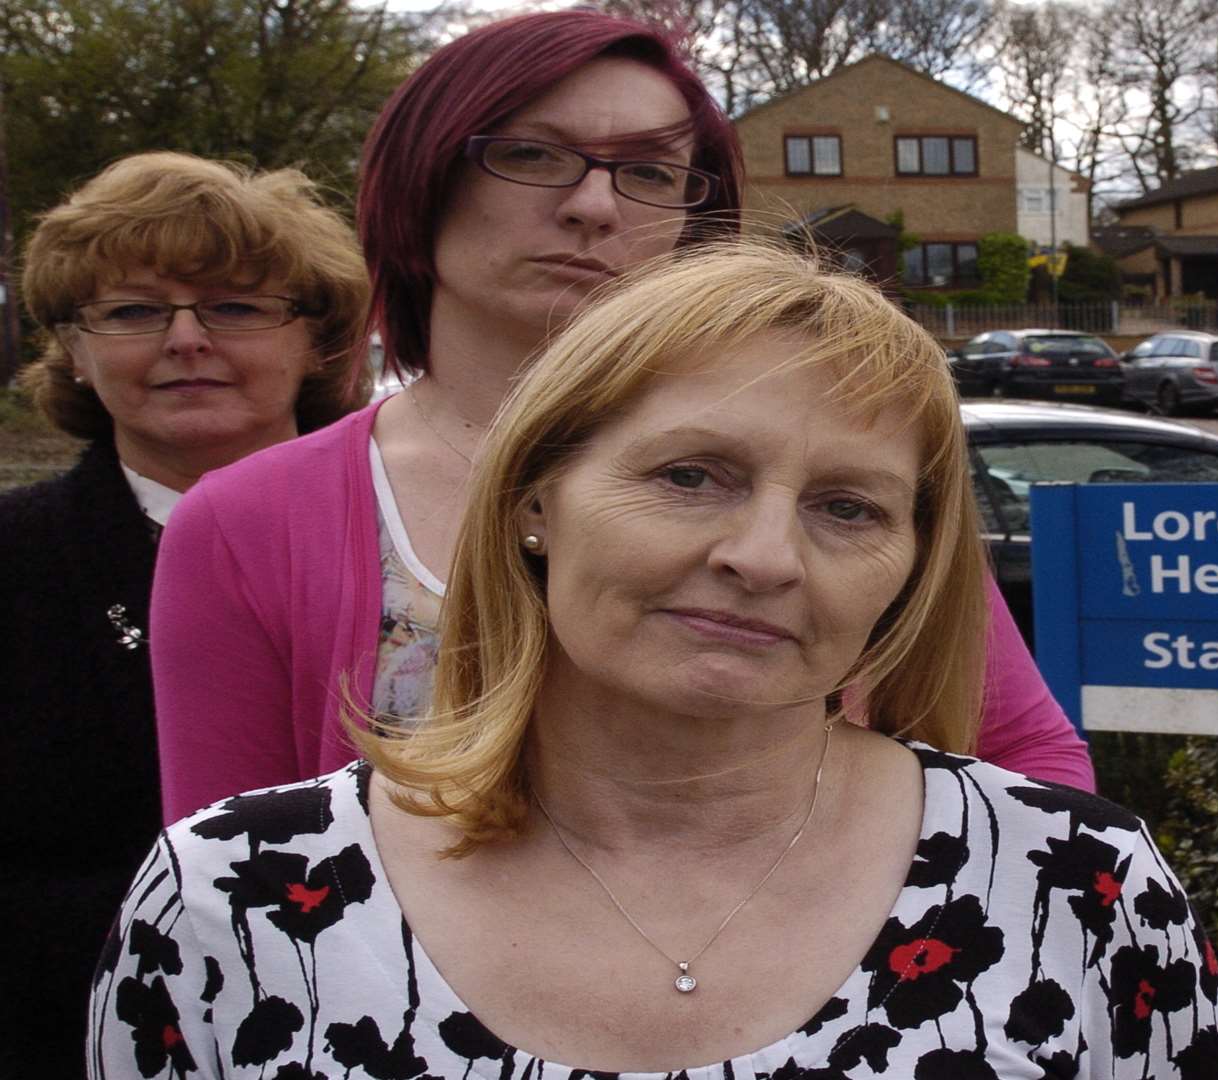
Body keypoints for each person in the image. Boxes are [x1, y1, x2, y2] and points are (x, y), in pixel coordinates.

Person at [94, 245, 1218, 1077]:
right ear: (537, 499)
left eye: (847, 507)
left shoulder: (1079, 887)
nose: (764, 557)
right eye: (692, 476)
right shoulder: (234, 898)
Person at [150, 11, 1092, 823]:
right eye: (530, 154)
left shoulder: (835, 475)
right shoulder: (246, 521)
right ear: (422, 179)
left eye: (649, 171)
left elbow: (1029, 765)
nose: (594, 204)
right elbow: (232, 895)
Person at [0, 151, 369, 1078]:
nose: (186, 340)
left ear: (318, 342)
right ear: (75, 350)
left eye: (235, 307)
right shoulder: (18, 562)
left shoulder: (447, 537)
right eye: (132, 312)